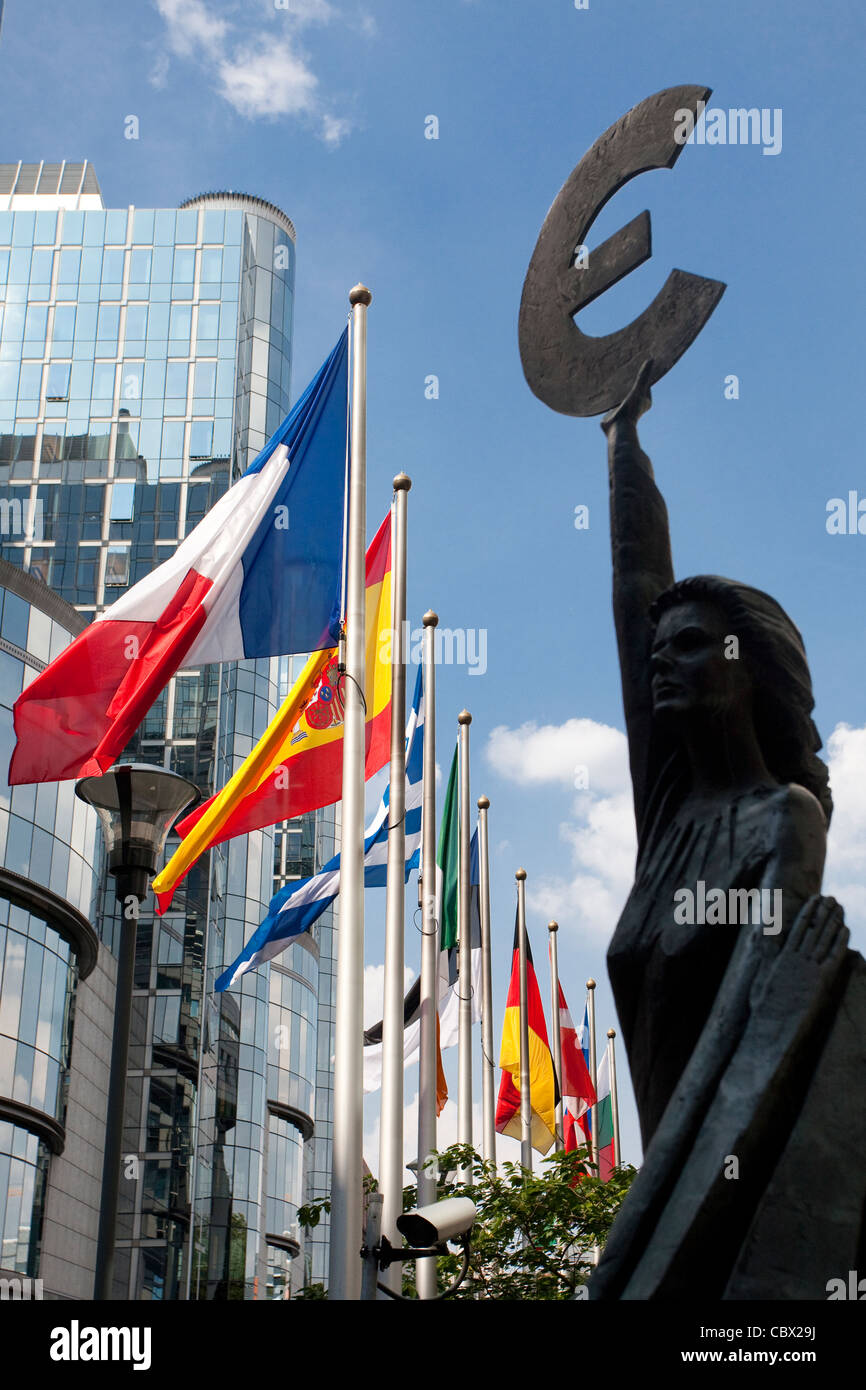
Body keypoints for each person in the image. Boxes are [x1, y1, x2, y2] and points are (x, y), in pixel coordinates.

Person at [589, 362, 866, 1300]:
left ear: (753, 668)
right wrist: (623, 447)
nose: (665, 663)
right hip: (662, 1201)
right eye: (661, 652)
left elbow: (740, 1042)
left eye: (695, 646)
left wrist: (635, 1243)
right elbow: (637, 590)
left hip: (721, 1205)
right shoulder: (665, 812)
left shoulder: (784, 821)